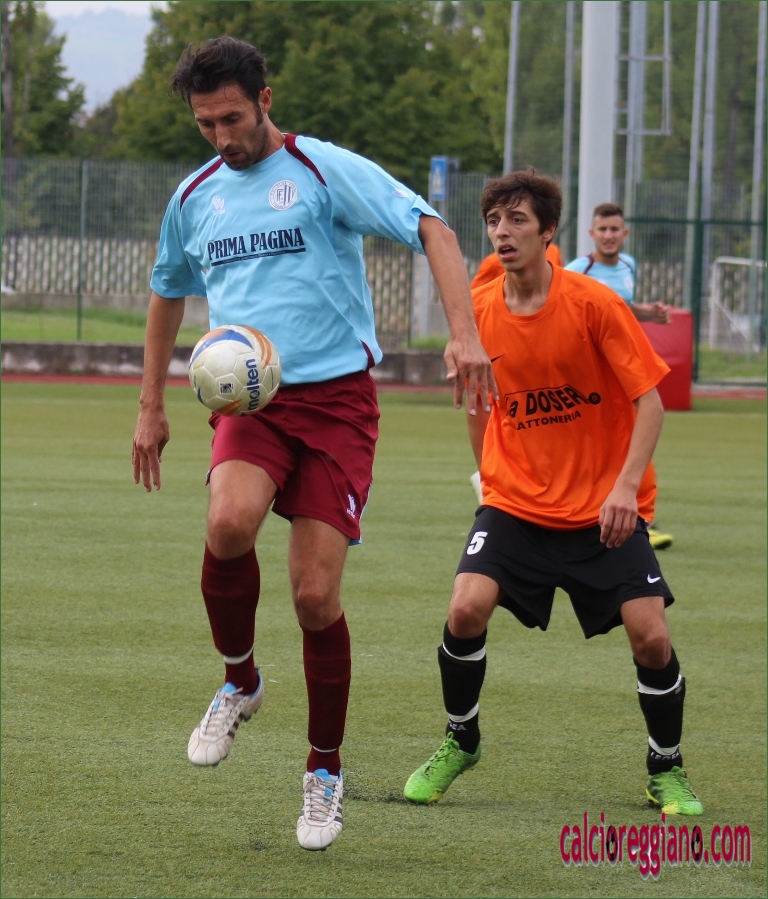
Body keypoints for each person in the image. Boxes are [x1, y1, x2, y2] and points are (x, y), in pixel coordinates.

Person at [131, 36, 494, 852]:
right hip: (251, 399)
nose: (222, 137)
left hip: (337, 405)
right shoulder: (194, 196)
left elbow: (432, 228)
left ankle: (324, 771)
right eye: (205, 124)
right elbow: (166, 291)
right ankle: (241, 681)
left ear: (265, 97)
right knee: (227, 523)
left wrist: (464, 334)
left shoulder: (321, 169)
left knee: (313, 597)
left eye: (232, 118)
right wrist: (150, 404)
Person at [403, 170, 702, 819]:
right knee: (465, 608)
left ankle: (666, 767)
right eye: (494, 221)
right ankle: (461, 739)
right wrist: (489, 480)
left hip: (603, 510)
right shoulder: (478, 312)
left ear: (549, 232)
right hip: (515, 504)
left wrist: (626, 489)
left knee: (651, 637)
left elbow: (650, 403)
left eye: (517, 220)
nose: (502, 232)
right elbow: (477, 404)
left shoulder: (594, 304)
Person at [565, 202, 674, 551]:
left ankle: (640, 517)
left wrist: (649, 313)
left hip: (623, 370)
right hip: (589, 375)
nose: (609, 235)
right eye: (603, 229)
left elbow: (621, 309)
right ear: (592, 233)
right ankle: (576, 511)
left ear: (624, 233)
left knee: (633, 435)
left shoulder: (629, 265)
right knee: (587, 439)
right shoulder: (578, 270)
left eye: (615, 230)